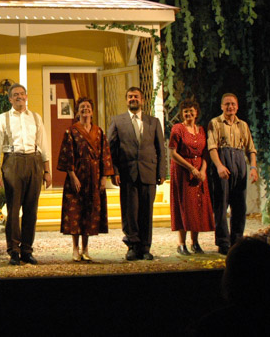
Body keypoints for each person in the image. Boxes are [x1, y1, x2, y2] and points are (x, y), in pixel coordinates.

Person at [0, 82, 51, 265]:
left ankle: (27, 250)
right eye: (15, 94)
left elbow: (43, 145)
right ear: (10, 99)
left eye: (22, 94)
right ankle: (14, 251)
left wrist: (47, 170)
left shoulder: (35, 118)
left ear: (26, 97)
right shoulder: (2, 119)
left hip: (34, 161)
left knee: (31, 209)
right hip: (13, 162)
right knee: (14, 209)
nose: (19, 97)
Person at [107, 86, 166, 261]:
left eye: (136, 96)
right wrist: (114, 171)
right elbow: (110, 150)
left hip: (149, 173)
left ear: (142, 100)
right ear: (126, 100)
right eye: (130, 97)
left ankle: (145, 247)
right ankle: (132, 246)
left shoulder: (153, 122)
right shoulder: (117, 121)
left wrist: (161, 172)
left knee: (146, 212)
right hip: (127, 173)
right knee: (130, 213)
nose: (133, 99)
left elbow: (160, 149)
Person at [57, 97, 115, 262]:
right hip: (77, 176)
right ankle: (75, 248)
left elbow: (105, 154)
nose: (85, 109)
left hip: (94, 177)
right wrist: (72, 176)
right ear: (77, 112)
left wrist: (104, 177)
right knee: (75, 212)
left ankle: (86, 249)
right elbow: (67, 155)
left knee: (90, 212)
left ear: (92, 111)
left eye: (88, 107)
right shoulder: (71, 131)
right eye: (82, 107)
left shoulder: (99, 132)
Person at [207, 93, 258, 255]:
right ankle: (223, 242)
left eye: (233, 104)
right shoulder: (215, 123)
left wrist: (253, 168)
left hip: (239, 161)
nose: (230, 107)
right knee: (221, 205)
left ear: (237, 106)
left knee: (239, 205)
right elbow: (212, 147)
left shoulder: (243, 125)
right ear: (222, 106)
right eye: (227, 104)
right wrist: (219, 166)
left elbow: (251, 149)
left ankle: (237, 240)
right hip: (223, 160)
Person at [168, 99, 215, 255]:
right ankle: (181, 244)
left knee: (198, 206)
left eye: (191, 111)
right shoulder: (178, 128)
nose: (188, 114)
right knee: (184, 206)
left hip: (199, 172)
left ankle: (195, 242)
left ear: (196, 113)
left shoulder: (201, 130)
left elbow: (205, 153)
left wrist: (203, 170)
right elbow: (173, 153)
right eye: (185, 111)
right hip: (183, 172)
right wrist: (190, 168)